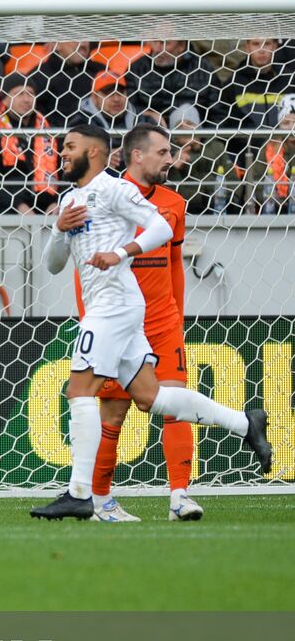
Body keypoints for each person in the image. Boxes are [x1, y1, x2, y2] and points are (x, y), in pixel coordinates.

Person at [31, 124, 271, 521]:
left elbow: (160, 226)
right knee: (151, 397)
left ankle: (79, 493)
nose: (63, 153)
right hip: (110, 306)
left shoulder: (114, 189)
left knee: (80, 391)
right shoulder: (73, 198)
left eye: (70, 147)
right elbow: (54, 265)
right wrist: (59, 229)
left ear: (94, 153)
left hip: (115, 304)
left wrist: (122, 252)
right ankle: (244, 423)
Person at [72, 124, 202, 522]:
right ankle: (100, 500)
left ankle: (180, 496)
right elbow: (81, 266)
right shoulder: (103, 196)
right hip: (119, 320)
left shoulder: (174, 203)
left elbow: (174, 262)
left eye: (170, 152)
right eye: (163, 152)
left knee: (174, 403)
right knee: (112, 414)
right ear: (137, 155)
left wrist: (176, 313)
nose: (170, 159)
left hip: (162, 320)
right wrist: (90, 317)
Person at [0, 74, 59, 215]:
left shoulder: (51, 131)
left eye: (30, 93)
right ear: (5, 99)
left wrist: (57, 202)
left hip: (50, 211)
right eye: (18, 94)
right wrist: (18, 205)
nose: (26, 99)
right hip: (8, 212)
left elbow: (66, 171)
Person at [126, 40, 217, 120]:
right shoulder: (137, 69)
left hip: (193, 134)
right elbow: (128, 108)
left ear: (181, 46)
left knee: (186, 114)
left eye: (164, 43)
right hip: (152, 132)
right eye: (154, 41)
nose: (157, 49)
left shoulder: (203, 69)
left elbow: (218, 113)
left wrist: (209, 138)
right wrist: (147, 115)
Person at [29, 41, 105, 126]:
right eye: (75, 38)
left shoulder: (101, 71)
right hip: (58, 135)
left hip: (99, 133)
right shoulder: (40, 75)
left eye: (85, 38)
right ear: (56, 44)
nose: (83, 44)